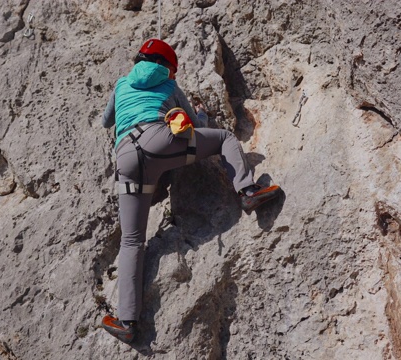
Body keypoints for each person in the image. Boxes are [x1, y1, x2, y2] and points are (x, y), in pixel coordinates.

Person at [100, 38, 282, 343]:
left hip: (126, 158)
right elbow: (193, 122)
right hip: (158, 142)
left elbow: (107, 121)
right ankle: (247, 191)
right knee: (223, 137)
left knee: (132, 241)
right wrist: (201, 113)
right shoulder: (169, 86)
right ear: (169, 67)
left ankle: (126, 321)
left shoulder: (121, 84)